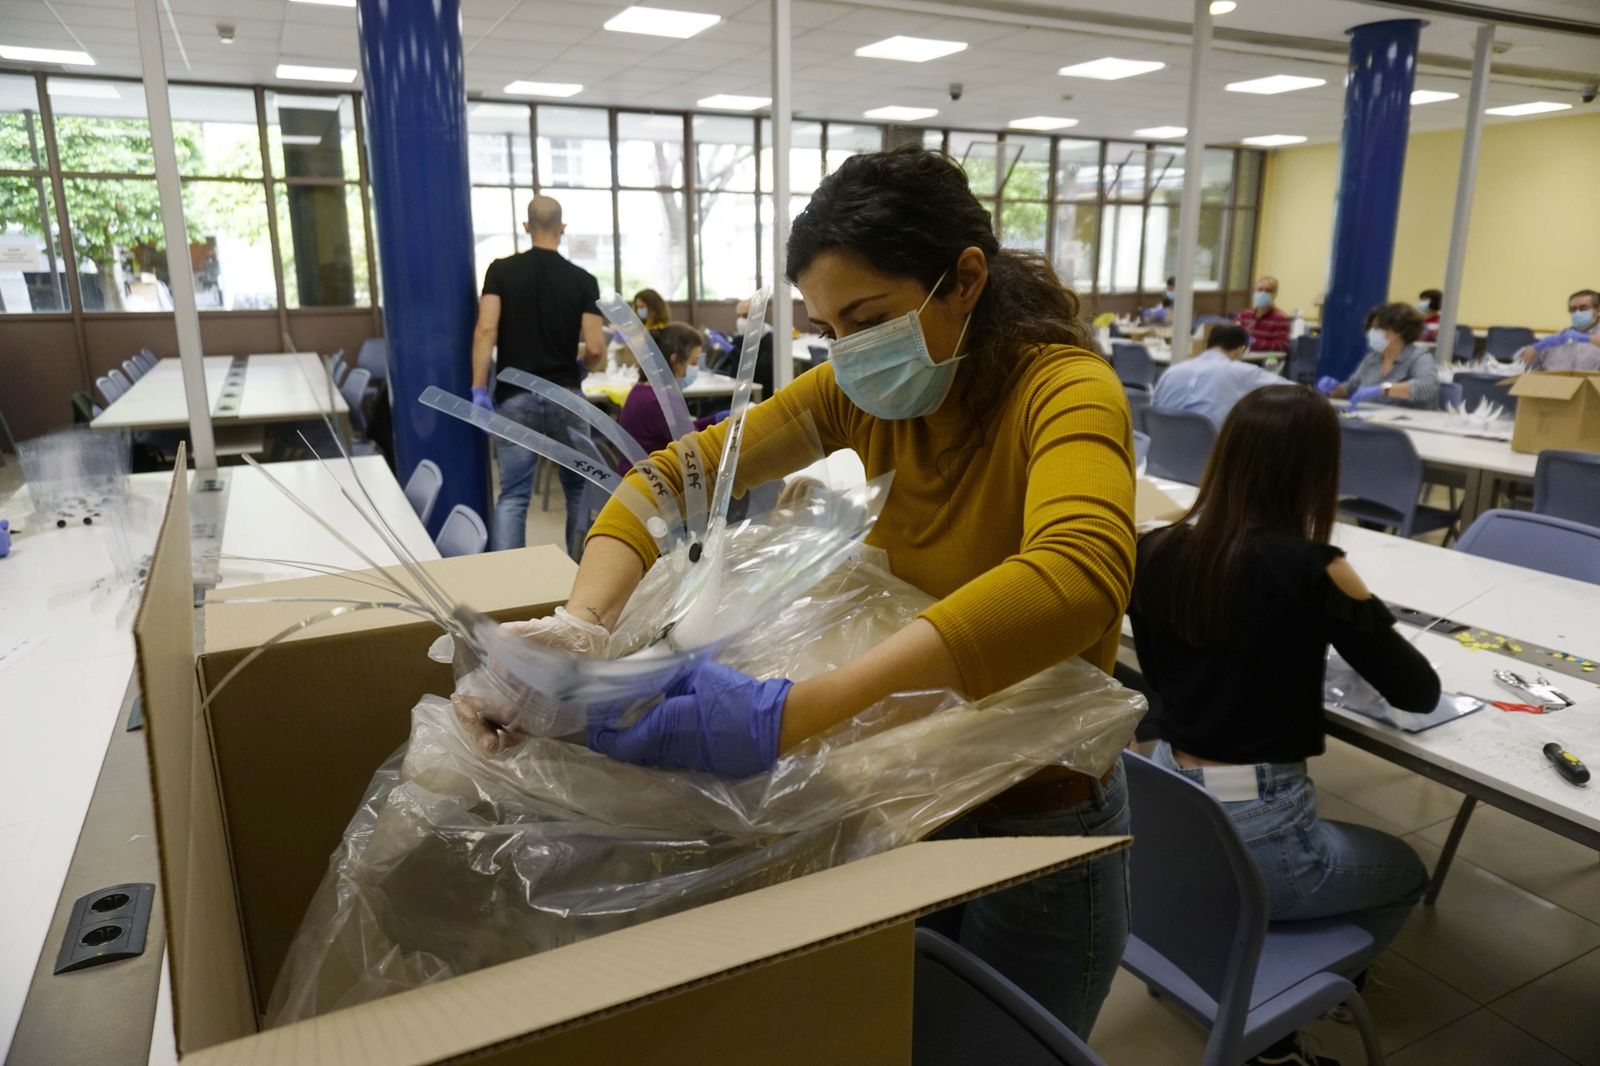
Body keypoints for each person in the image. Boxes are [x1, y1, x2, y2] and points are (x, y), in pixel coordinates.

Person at [463, 146, 1137, 1037]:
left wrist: (798, 715)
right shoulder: (860, 393)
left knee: (1013, 1049)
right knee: (910, 1036)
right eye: (827, 329)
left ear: (966, 279)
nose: (849, 352)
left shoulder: (1065, 390)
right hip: (916, 787)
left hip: (1039, 815)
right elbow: (670, 478)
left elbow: (1079, 574)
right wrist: (581, 626)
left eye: (869, 318)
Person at [1129, 385, 1437, 1066]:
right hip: (1262, 829)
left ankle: (1259, 959)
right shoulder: (1314, 568)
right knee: (1408, 870)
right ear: (1316, 472)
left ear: (1226, 455)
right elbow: (1418, 692)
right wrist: (1354, 597)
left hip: (1173, 796)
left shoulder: (1153, 550)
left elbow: (1178, 665)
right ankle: (1288, 1022)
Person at [470, 195, 605, 556]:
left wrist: (478, 388)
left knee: (513, 495)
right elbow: (595, 348)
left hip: (513, 396)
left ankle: (512, 582)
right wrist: (582, 367)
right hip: (566, 396)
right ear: (563, 228)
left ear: (527, 226)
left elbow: (486, 330)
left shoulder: (500, 271)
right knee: (578, 490)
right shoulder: (584, 280)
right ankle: (580, 574)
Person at [612, 322, 714, 474]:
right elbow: (696, 447)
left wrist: (718, 419)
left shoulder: (642, 390)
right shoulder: (662, 402)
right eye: (693, 362)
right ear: (675, 360)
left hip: (636, 477)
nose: (696, 368)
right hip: (650, 482)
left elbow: (685, 429)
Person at [1151, 323, 1282, 426]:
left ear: (1208, 344)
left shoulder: (1171, 372)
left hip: (1163, 447)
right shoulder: (1242, 372)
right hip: (1212, 448)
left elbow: (1153, 408)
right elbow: (1290, 389)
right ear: (1240, 349)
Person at [1316, 302, 1438, 409]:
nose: (1371, 333)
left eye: (1376, 329)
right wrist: (1336, 389)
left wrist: (1383, 389)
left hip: (1405, 424)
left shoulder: (1419, 357)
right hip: (1369, 420)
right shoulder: (1373, 358)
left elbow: (1428, 387)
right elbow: (1351, 389)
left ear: (1398, 332)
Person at [1518, 289, 1600, 371]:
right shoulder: (1557, 337)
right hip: (1551, 378)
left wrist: (1586, 338)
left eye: (1583, 308)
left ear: (1598, 311)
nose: (1577, 313)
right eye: (1573, 309)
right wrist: (1534, 348)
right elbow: (1522, 365)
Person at [1235, 275, 1292, 353]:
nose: (1263, 293)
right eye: (1260, 290)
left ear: (1274, 295)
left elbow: (1281, 346)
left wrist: (1253, 342)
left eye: (1268, 291)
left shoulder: (1281, 319)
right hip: (1239, 355)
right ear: (1254, 292)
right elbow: (1231, 335)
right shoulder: (1244, 315)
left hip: (1262, 358)